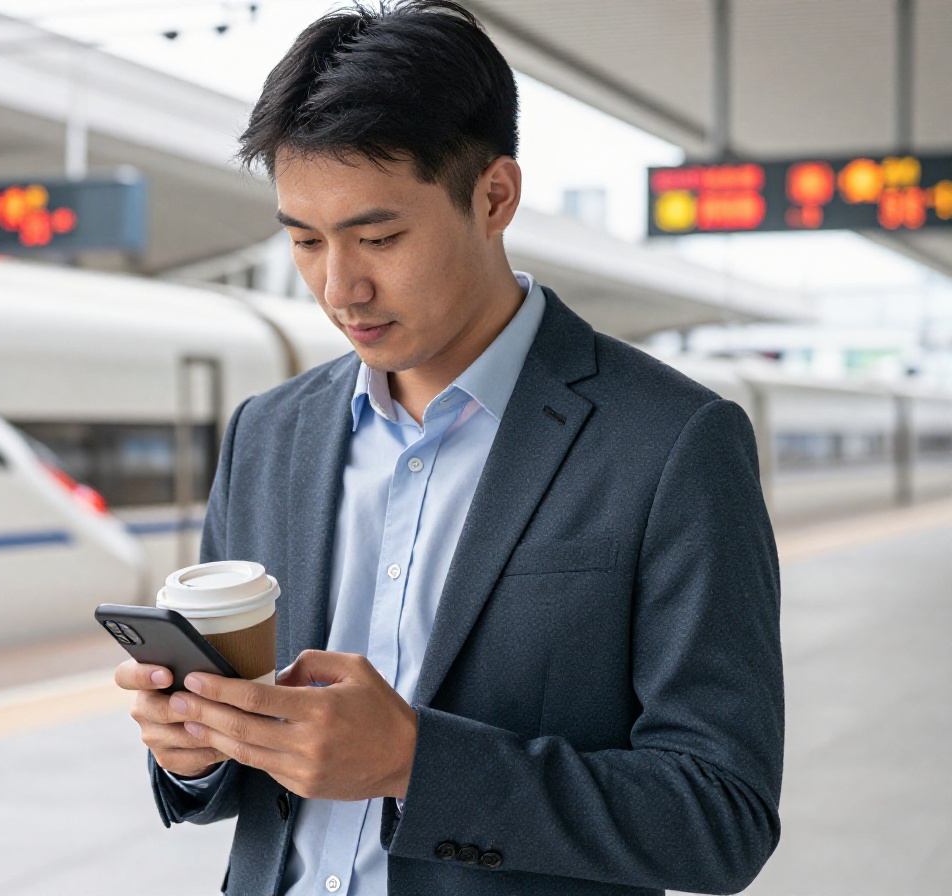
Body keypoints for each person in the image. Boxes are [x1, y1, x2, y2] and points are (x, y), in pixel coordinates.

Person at [114, 2, 783, 894]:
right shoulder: (268, 435)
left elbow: (721, 816)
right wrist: (194, 752)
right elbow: (250, 776)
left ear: (496, 196)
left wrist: (416, 764)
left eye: (379, 237)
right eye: (305, 241)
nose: (339, 287)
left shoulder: (672, 444)